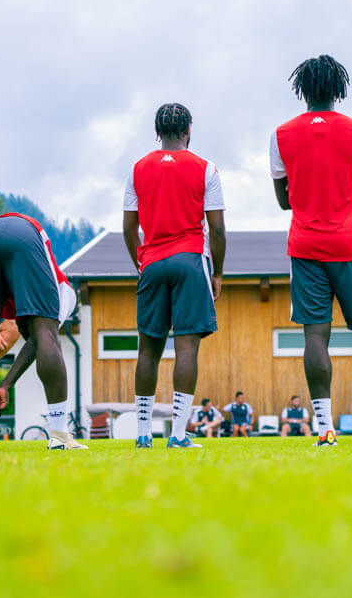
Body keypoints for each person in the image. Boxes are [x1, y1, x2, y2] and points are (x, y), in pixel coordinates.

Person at [269, 55, 352, 446]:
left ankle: (324, 430)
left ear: (302, 88)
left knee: (314, 335)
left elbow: (283, 201)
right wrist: (350, 187)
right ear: (339, 88)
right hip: (348, 243)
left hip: (304, 246)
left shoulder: (281, 134)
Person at [123, 103, 226, 449]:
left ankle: (142, 435)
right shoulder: (206, 168)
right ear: (188, 130)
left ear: (157, 131)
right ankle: (178, 435)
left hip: (152, 262)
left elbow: (128, 228)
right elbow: (217, 229)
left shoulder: (137, 168)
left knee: (147, 351)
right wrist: (218, 272)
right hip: (190, 260)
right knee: (186, 349)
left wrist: (141, 264)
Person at [0, 212, 82, 451]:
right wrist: (6, 384)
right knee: (45, 332)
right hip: (24, 233)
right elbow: (40, 340)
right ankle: (60, 435)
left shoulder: (8, 286)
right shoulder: (67, 294)